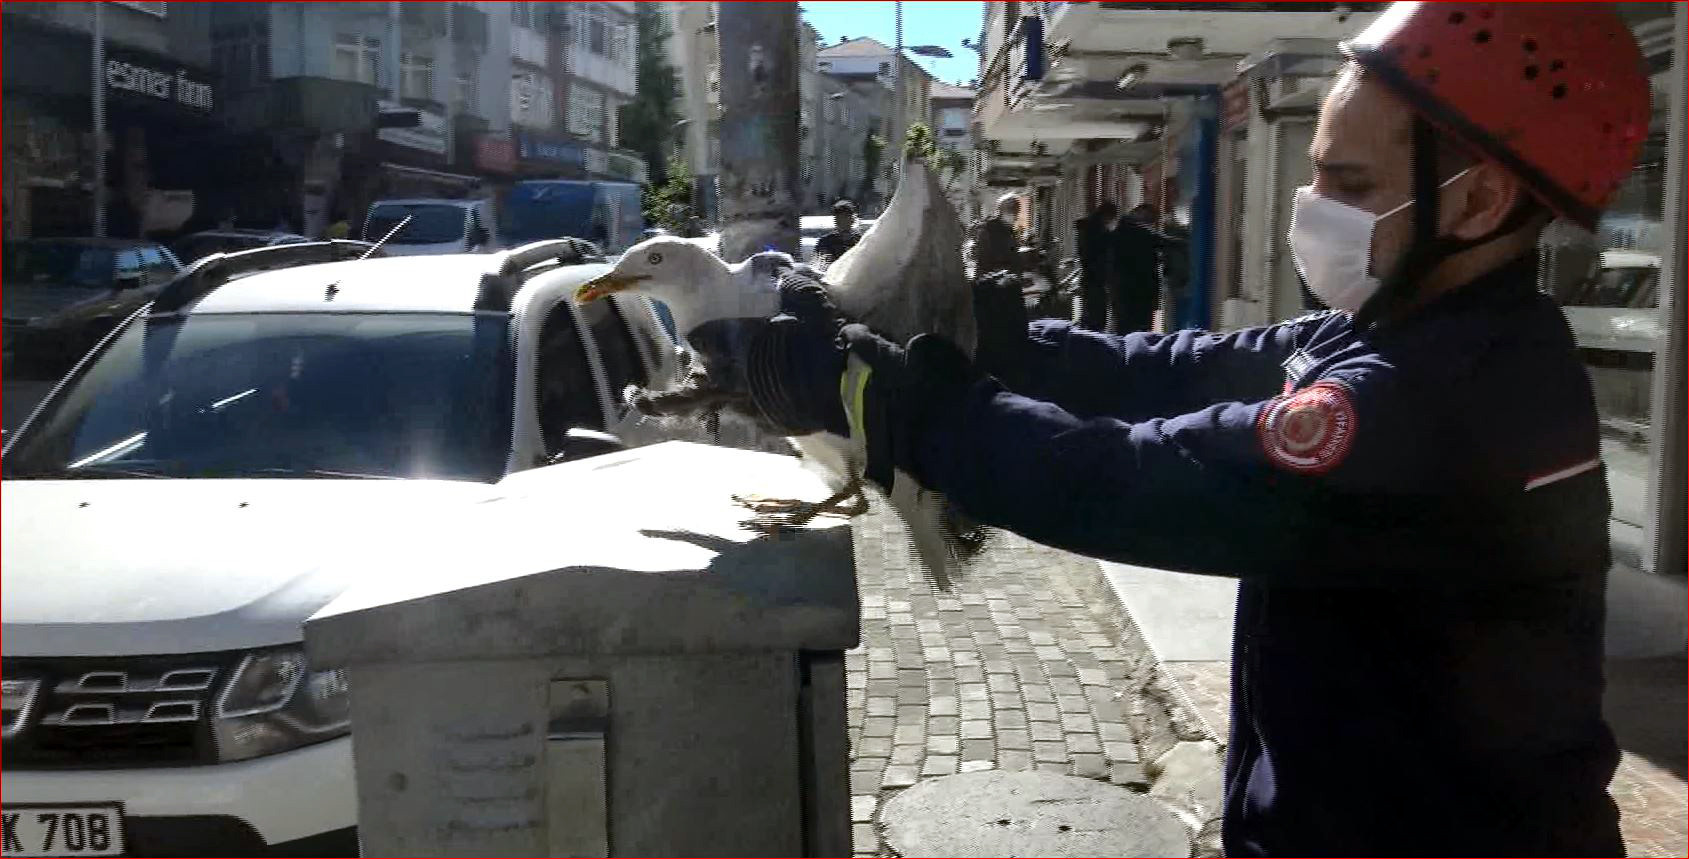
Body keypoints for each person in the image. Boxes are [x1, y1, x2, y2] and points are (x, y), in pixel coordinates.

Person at [743, 4, 1648, 854]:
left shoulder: (1442, 397)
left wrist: (893, 403)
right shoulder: (1396, 330)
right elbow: (1176, 367)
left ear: (1480, 201)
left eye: (1350, 182)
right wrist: (993, 342)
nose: (1311, 202)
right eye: (1314, 170)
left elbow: (1128, 480)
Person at [1109, 203, 1168, 333]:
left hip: (1123, 288)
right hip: (1139, 289)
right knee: (1138, 327)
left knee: (1125, 326)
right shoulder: (1140, 234)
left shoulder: (1118, 232)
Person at [1073, 201, 1117, 331]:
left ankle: (1087, 332)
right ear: (1106, 215)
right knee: (1096, 311)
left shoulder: (1089, 229)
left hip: (1091, 276)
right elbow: (1099, 252)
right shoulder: (1096, 230)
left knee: (1091, 309)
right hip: (1095, 276)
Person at [970, 193, 1024, 278]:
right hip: (993, 279)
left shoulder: (1008, 229)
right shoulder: (987, 229)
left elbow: (1013, 253)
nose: (1016, 218)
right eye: (1015, 214)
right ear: (1005, 213)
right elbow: (983, 261)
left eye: (1016, 213)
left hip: (1007, 277)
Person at [813, 199, 863, 264]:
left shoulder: (859, 240)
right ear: (836, 220)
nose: (845, 221)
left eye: (847, 217)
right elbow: (823, 263)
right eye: (841, 218)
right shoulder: (826, 241)